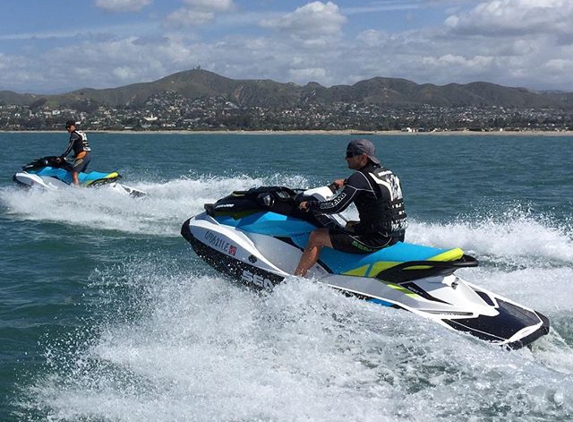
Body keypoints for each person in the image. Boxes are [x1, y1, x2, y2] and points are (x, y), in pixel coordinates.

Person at [294, 139, 407, 277]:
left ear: (363, 157)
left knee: (316, 236)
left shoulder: (359, 178)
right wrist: (346, 182)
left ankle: (296, 278)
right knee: (349, 225)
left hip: (376, 241)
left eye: (350, 154)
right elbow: (374, 188)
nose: (346, 158)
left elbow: (336, 206)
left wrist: (309, 205)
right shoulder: (389, 174)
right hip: (397, 235)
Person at [59, 120, 92, 185]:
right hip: (88, 155)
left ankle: (76, 190)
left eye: (69, 127)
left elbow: (69, 147)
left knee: (74, 172)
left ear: (73, 126)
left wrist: (62, 156)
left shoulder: (74, 134)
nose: (68, 129)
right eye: (66, 127)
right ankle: (83, 186)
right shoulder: (81, 133)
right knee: (80, 173)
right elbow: (80, 145)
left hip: (82, 155)